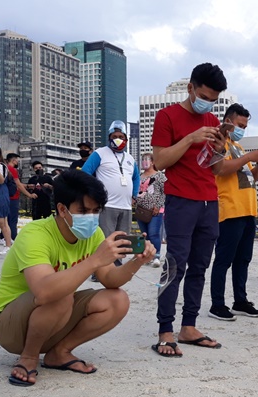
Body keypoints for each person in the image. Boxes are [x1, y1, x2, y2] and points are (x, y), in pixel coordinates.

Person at [0, 169, 156, 386]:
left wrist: (137, 261)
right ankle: (28, 357)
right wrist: (94, 260)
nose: (91, 217)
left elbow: (110, 280)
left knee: (117, 300)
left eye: (96, 211)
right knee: (61, 294)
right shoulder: (35, 234)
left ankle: (60, 353)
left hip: (52, 317)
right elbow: (44, 291)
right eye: (83, 210)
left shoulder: (93, 235)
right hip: (10, 325)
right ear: (62, 209)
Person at [150, 62, 229, 355]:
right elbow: (159, 161)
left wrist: (219, 147)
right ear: (191, 88)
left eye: (213, 99)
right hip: (181, 200)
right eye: (204, 95)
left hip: (209, 201)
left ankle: (189, 326)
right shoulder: (167, 116)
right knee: (174, 265)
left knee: (200, 266)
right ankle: (165, 330)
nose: (207, 103)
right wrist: (191, 138)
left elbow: (218, 168)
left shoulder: (212, 120)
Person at [208, 103, 258, 321]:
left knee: (243, 259)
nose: (242, 129)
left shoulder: (239, 148)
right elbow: (222, 169)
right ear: (228, 121)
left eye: (245, 125)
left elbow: (250, 177)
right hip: (230, 209)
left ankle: (240, 300)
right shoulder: (220, 144)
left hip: (247, 210)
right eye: (240, 124)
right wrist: (249, 157)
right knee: (224, 259)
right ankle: (217, 304)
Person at [81, 120, 140, 268]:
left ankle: (116, 268)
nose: (117, 138)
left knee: (122, 239)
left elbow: (136, 177)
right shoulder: (99, 153)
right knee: (105, 239)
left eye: (121, 136)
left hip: (125, 206)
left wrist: (134, 195)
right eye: (114, 136)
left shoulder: (130, 158)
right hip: (107, 205)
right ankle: (100, 269)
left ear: (126, 139)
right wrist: (93, 193)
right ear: (109, 137)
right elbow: (85, 173)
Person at [135, 152, 166, 268]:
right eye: (143, 159)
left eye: (147, 159)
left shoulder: (160, 176)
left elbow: (165, 192)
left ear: (153, 162)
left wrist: (158, 206)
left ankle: (156, 255)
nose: (145, 161)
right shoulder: (139, 176)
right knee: (146, 235)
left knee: (154, 234)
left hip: (155, 211)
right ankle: (148, 255)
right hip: (141, 211)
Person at [3, 153, 37, 242]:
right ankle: (13, 238)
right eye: (17, 160)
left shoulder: (4, 168)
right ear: (13, 160)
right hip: (13, 197)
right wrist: (29, 195)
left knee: (6, 219)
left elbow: (14, 183)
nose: (18, 161)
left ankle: (3, 237)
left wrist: (27, 185)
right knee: (13, 220)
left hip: (6, 197)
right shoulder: (13, 170)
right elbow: (18, 185)